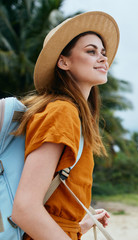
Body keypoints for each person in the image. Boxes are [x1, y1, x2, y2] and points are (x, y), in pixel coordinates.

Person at [11, 11, 120, 240]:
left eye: (103, 52)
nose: (103, 58)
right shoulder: (62, 111)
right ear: (64, 61)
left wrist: (78, 225)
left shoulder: (75, 115)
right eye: (91, 51)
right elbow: (25, 209)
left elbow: (45, 212)